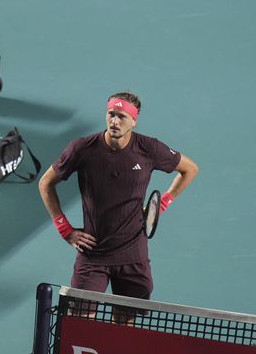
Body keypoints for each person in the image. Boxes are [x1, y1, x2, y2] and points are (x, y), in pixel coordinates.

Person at [38, 91, 199, 314]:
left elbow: (190, 169)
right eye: (111, 114)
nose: (114, 121)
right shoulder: (81, 149)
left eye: (121, 116)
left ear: (134, 120)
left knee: (124, 327)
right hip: (93, 254)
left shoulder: (149, 149)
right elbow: (45, 183)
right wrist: (64, 228)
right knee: (79, 323)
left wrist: (162, 204)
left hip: (133, 255)